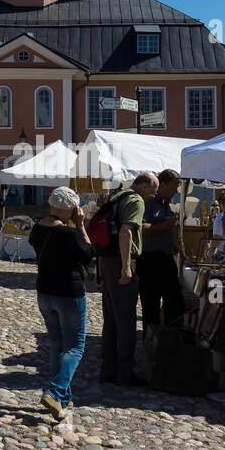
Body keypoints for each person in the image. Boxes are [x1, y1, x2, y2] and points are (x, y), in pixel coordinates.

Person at [29, 187, 94, 420]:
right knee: (75, 347)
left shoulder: (37, 229)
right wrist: (80, 225)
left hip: (44, 292)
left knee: (57, 345)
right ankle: (55, 392)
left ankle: (63, 400)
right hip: (69, 293)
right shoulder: (69, 233)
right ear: (71, 208)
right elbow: (88, 254)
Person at [96, 174, 150, 385]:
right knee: (126, 320)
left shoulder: (118, 195)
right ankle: (126, 373)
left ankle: (107, 370)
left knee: (110, 319)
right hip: (121, 261)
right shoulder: (135, 200)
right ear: (144, 187)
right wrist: (127, 267)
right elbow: (126, 232)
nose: (151, 196)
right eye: (152, 191)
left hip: (107, 261)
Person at [138, 169, 186, 333]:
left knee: (175, 302)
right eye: (173, 187)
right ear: (163, 184)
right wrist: (164, 227)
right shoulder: (148, 201)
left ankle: (171, 341)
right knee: (151, 306)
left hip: (166, 259)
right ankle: (151, 345)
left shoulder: (166, 204)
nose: (175, 192)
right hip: (150, 260)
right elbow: (142, 227)